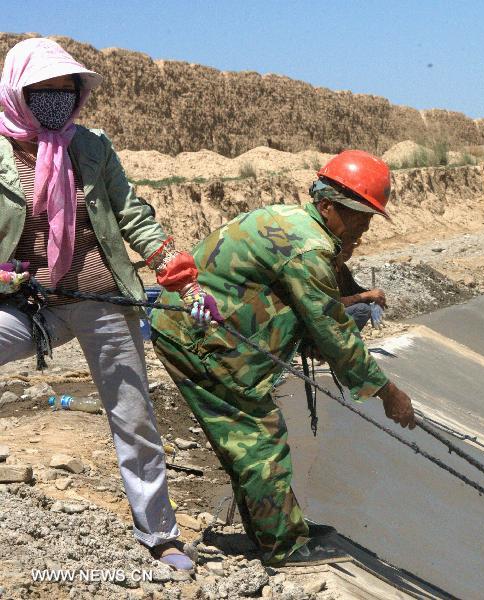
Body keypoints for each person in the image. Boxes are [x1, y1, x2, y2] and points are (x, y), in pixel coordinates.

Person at [0, 38, 220, 570]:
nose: (56, 100)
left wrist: (185, 282)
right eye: (43, 91)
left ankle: (160, 533)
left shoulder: (93, 148)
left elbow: (134, 216)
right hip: (30, 300)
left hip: (99, 295)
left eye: (65, 91)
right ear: (17, 91)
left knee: (134, 415)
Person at [150, 149, 415, 566]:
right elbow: (333, 329)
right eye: (359, 216)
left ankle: (276, 530)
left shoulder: (294, 222)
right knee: (258, 437)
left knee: (251, 437)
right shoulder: (308, 248)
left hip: (205, 331)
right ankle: (283, 546)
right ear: (327, 205)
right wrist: (387, 392)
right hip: (197, 337)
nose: (364, 228)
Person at [335, 241, 387, 333]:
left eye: (351, 248)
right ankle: (342, 343)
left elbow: (355, 291)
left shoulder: (343, 268)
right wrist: (366, 295)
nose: (348, 251)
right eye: (345, 247)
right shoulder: (328, 270)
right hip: (323, 316)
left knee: (365, 304)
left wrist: (375, 297)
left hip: (335, 314)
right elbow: (332, 303)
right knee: (362, 309)